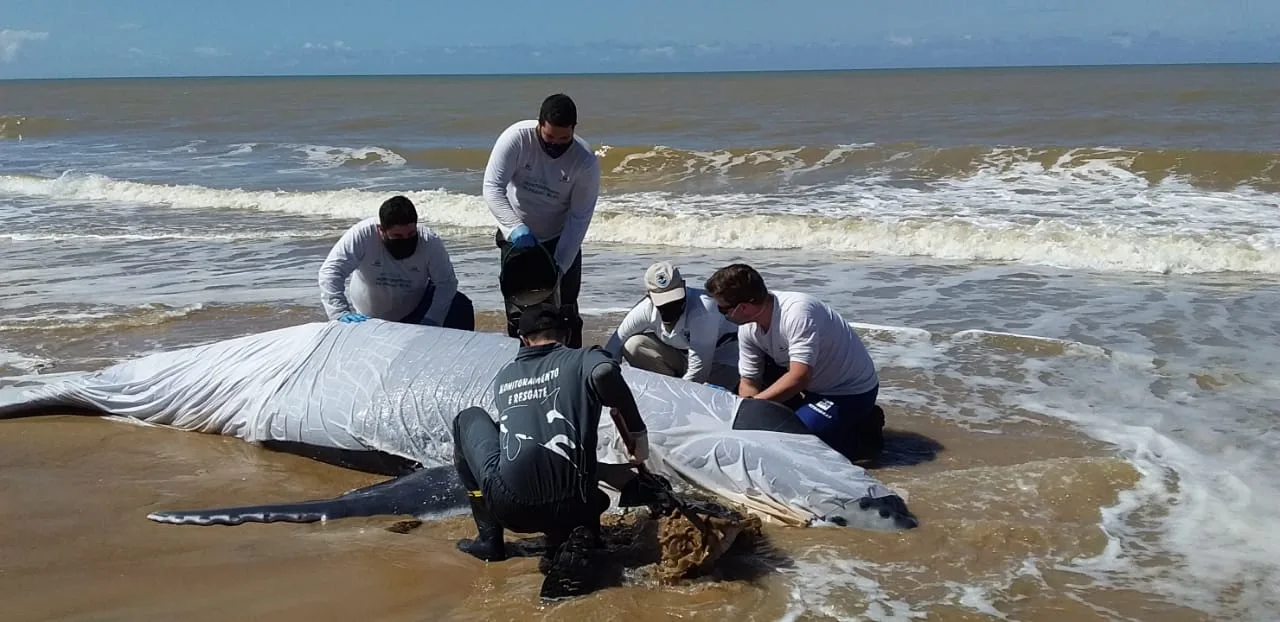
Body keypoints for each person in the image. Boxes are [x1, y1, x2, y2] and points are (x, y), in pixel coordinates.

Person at [450, 303, 651, 565]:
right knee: (571, 449)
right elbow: (604, 371)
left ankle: (490, 542)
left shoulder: (505, 376)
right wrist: (638, 432)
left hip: (514, 511)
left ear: (522, 339)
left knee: (467, 418)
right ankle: (579, 532)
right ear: (566, 335)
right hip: (579, 505)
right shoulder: (583, 359)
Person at [703, 263, 884, 463]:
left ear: (743, 307)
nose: (721, 314)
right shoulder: (748, 328)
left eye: (722, 309)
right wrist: (750, 418)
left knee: (803, 444)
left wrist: (754, 407)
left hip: (848, 391)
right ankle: (804, 410)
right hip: (810, 383)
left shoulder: (797, 313)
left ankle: (865, 429)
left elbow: (800, 376)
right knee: (761, 428)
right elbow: (749, 380)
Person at [482, 93, 601, 348]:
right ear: (539, 125)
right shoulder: (516, 138)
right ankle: (522, 367)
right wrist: (514, 228)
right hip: (517, 238)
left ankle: (571, 366)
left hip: (559, 238)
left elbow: (579, 218)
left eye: (564, 139)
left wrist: (560, 264)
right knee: (520, 314)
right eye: (549, 137)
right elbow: (492, 188)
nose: (556, 145)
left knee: (564, 312)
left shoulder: (585, 161)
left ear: (573, 130)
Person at [318, 195, 475, 330]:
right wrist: (339, 313)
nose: (405, 240)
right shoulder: (363, 235)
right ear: (381, 230)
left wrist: (432, 320)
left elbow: (446, 283)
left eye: (411, 234)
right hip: (367, 319)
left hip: (416, 312)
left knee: (460, 305)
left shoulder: (429, 241)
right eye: (398, 236)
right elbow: (330, 273)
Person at [603, 261, 740, 389]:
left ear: (683, 286)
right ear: (649, 296)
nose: (670, 307)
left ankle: (671, 390)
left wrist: (678, 396)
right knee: (634, 344)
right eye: (663, 304)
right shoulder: (645, 309)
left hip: (721, 362)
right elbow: (613, 347)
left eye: (676, 300)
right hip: (683, 358)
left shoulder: (704, 309)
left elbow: (700, 370)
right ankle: (665, 388)